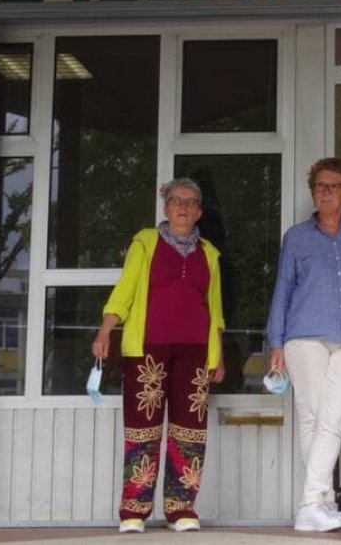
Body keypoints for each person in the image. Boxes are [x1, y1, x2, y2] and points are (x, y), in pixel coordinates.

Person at [92, 177, 226, 534]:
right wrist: (106, 330)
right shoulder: (145, 243)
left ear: (199, 212)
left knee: (190, 432)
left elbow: (215, 309)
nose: (182, 206)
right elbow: (124, 292)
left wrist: (219, 355)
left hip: (196, 352)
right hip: (147, 350)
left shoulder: (209, 253)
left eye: (190, 202)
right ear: (165, 208)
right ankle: (133, 510)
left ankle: (181, 508)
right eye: (176, 200)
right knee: (142, 430)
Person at [265, 157, 341, 533]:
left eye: (333, 186)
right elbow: (283, 288)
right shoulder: (297, 237)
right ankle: (316, 503)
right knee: (314, 417)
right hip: (304, 336)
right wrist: (276, 340)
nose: (325, 192)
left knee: (332, 418)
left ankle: (316, 504)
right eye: (319, 186)